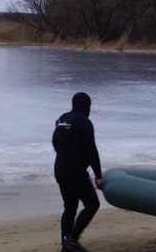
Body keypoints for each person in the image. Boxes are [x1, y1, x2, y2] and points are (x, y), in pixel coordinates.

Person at [53, 92, 103, 252]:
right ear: (87, 106)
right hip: (75, 170)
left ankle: (66, 246)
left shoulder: (61, 119)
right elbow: (91, 150)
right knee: (92, 204)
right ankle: (71, 241)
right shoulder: (85, 122)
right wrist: (98, 176)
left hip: (59, 168)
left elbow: (55, 142)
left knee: (70, 206)